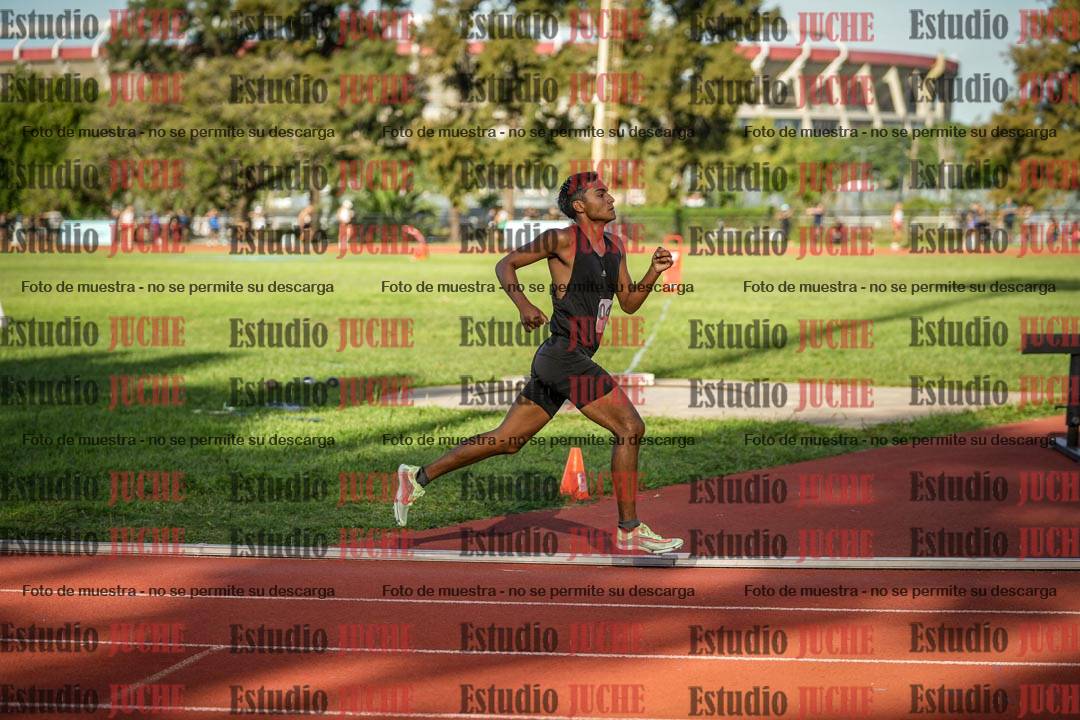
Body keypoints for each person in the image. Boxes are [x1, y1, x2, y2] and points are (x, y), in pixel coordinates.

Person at [394, 172, 684, 554]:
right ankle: (629, 529)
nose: (611, 198)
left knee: (506, 440)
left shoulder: (615, 247)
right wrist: (524, 305)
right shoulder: (562, 240)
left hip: (562, 359)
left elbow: (629, 302)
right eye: (601, 194)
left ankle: (417, 476)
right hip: (564, 355)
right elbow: (506, 264)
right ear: (580, 205)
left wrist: (653, 272)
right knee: (630, 428)